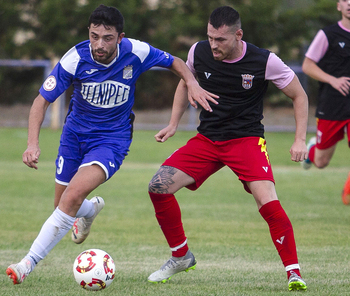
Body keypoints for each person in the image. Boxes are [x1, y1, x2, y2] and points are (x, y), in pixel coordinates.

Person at [6, 4, 217, 285]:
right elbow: (41, 101)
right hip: (74, 136)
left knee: (70, 199)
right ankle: (90, 210)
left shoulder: (136, 52)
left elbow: (175, 61)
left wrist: (192, 82)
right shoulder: (75, 59)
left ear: (120, 37)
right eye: (94, 36)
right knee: (62, 205)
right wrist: (32, 143)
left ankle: (25, 265)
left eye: (107, 38)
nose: (99, 44)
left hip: (112, 140)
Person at [147, 6, 308, 291]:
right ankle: (181, 255)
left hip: (245, 140)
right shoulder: (199, 52)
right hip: (208, 139)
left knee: (267, 201)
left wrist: (299, 139)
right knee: (158, 186)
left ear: (238, 35)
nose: (213, 45)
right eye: (210, 37)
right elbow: (186, 83)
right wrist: (173, 123)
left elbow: (299, 95)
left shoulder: (265, 61)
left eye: (220, 39)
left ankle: (293, 272)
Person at [301, 0, 350, 205]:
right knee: (321, 162)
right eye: (346, 0)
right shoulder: (327, 34)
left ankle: (347, 194)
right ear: (339, 5)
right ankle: (313, 149)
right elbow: (307, 65)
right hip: (332, 104)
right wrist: (332, 79)